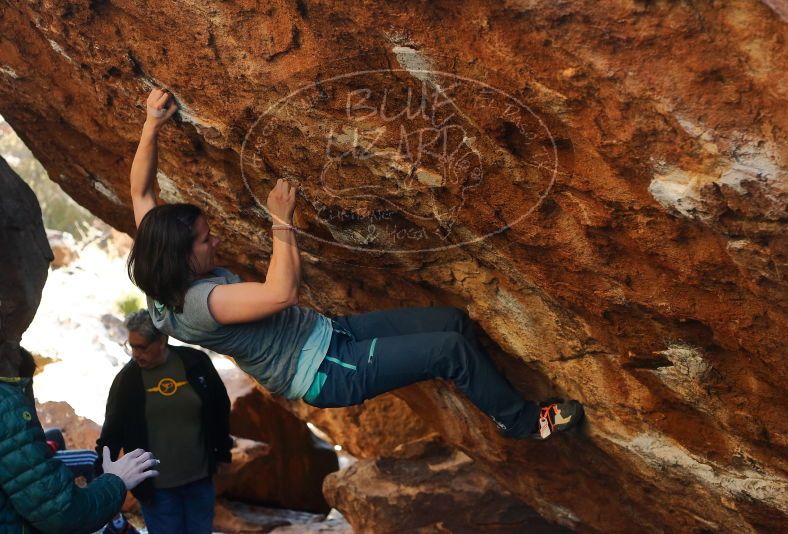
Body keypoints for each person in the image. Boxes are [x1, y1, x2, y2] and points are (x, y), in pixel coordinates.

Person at [126, 88, 584, 441]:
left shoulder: (157, 263)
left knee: (453, 324)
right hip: (324, 370)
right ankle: (523, 423)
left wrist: (152, 124)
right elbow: (281, 292)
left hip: (329, 334)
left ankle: (495, 403)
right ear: (183, 257)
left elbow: (141, 193)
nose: (216, 240)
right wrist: (280, 222)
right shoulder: (201, 303)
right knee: (450, 350)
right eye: (207, 241)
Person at [96, 310, 232, 534]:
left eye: (141, 347)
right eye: (131, 346)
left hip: (200, 481)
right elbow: (112, 431)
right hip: (157, 489)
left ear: (162, 340)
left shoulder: (195, 362)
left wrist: (223, 452)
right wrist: (102, 478)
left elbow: (219, 408)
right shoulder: (128, 380)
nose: (135, 354)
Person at [0, 346, 158, 533]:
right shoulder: (7, 404)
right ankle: (116, 523)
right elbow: (63, 514)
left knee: (60, 439)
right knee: (90, 459)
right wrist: (117, 482)